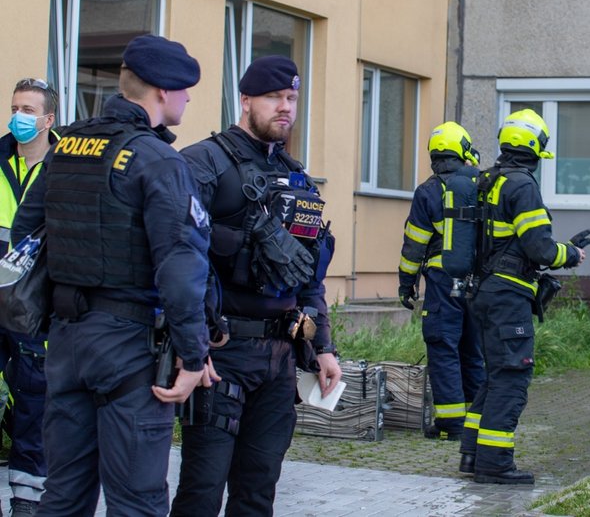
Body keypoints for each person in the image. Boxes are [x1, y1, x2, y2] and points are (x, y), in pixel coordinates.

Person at [10, 35, 216, 516]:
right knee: (137, 501)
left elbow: (26, 233)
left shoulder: (66, 149)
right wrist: (192, 356)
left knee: (63, 495)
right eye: (185, 90)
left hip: (65, 341)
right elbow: (182, 266)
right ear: (162, 92)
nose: (187, 99)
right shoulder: (157, 159)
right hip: (128, 348)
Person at [172, 55, 342, 515]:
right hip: (221, 352)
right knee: (201, 491)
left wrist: (323, 346)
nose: (285, 107)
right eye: (273, 98)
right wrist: (192, 348)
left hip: (281, 356)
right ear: (245, 100)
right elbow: (179, 263)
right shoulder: (202, 163)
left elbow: (308, 273)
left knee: (258, 491)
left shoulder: (295, 174)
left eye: (291, 98)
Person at [458, 108, 588, 485]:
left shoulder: (488, 180)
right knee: (512, 376)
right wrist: (572, 254)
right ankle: (495, 464)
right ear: (534, 148)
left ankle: (472, 454)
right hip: (508, 296)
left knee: (494, 376)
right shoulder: (523, 185)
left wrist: (561, 245)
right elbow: (540, 250)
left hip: (482, 291)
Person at [398, 121, 485, 441]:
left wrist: (406, 282)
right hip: (478, 281)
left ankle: (451, 422)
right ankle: (477, 417)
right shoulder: (482, 185)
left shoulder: (428, 191)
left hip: (442, 280)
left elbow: (414, 244)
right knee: (472, 348)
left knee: (443, 345)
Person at [0, 77, 59, 516]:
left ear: (48, 120)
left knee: (33, 409)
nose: (18, 116)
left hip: (37, 306)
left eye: (27, 110)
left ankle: (28, 504)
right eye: (15, 107)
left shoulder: (66, 165)